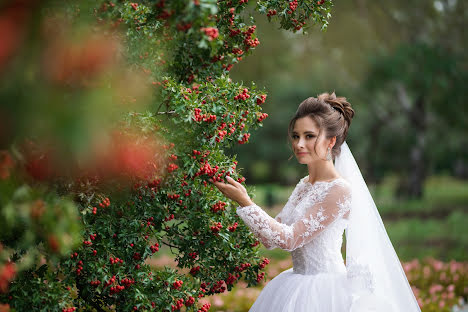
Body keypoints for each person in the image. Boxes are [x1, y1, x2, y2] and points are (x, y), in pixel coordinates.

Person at [213, 92, 421, 312]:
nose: (299, 143)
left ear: (331, 141)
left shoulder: (338, 190)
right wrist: (242, 203)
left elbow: (290, 239)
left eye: (309, 136)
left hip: (324, 292)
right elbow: (271, 239)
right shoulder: (305, 184)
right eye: (295, 136)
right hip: (294, 282)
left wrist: (246, 202)